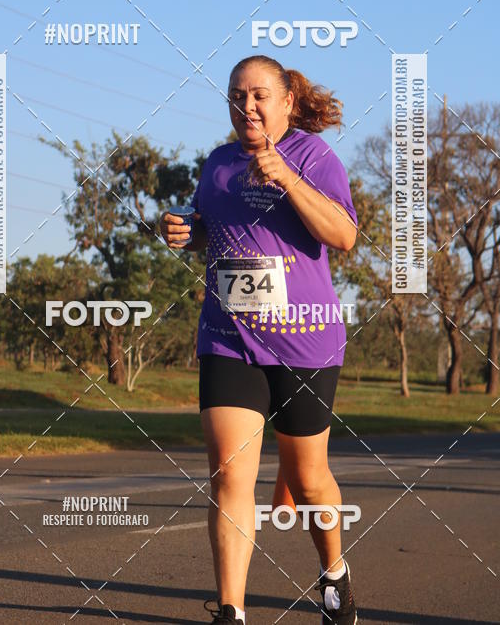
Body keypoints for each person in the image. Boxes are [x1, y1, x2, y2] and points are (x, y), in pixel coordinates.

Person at [160, 54, 359, 625]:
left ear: (287, 102)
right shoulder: (217, 164)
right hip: (229, 336)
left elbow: (343, 234)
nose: (245, 106)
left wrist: (287, 178)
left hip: (305, 344)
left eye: (258, 95)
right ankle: (231, 612)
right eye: (235, 95)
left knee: (309, 479)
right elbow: (213, 231)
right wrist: (186, 232)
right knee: (228, 471)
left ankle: (334, 574)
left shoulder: (314, 156)